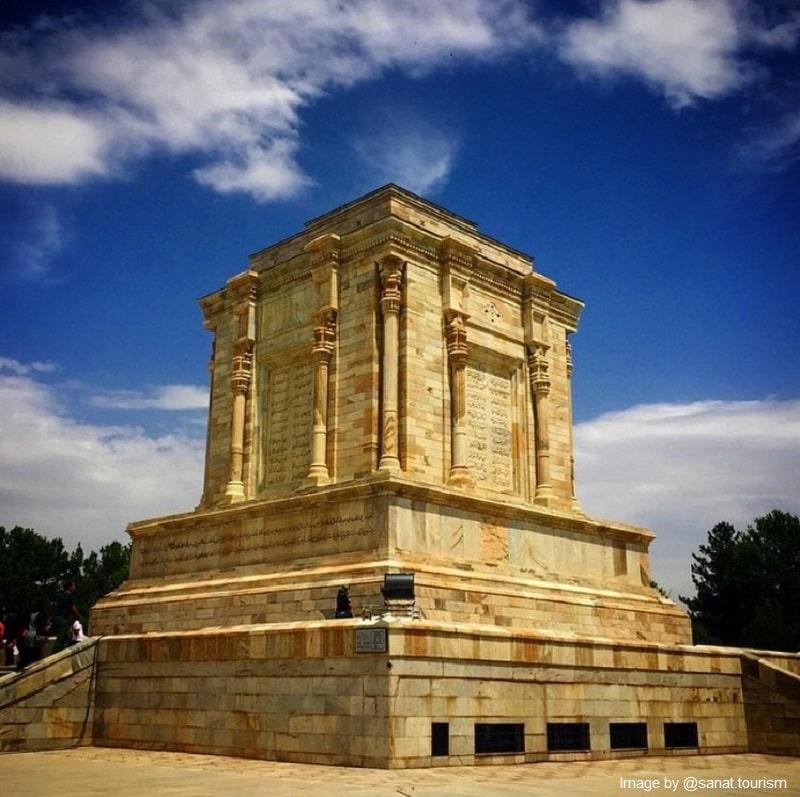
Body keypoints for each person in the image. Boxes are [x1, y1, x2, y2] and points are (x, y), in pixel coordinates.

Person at [53, 580, 80, 653]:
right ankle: (55, 653)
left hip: (57, 618)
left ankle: (59, 651)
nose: (75, 587)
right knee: (62, 637)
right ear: (70, 587)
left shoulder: (60, 595)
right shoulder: (69, 596)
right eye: (73, 586)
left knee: (64, 636)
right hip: (63, 619)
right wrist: (78, 616)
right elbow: (73, 608)